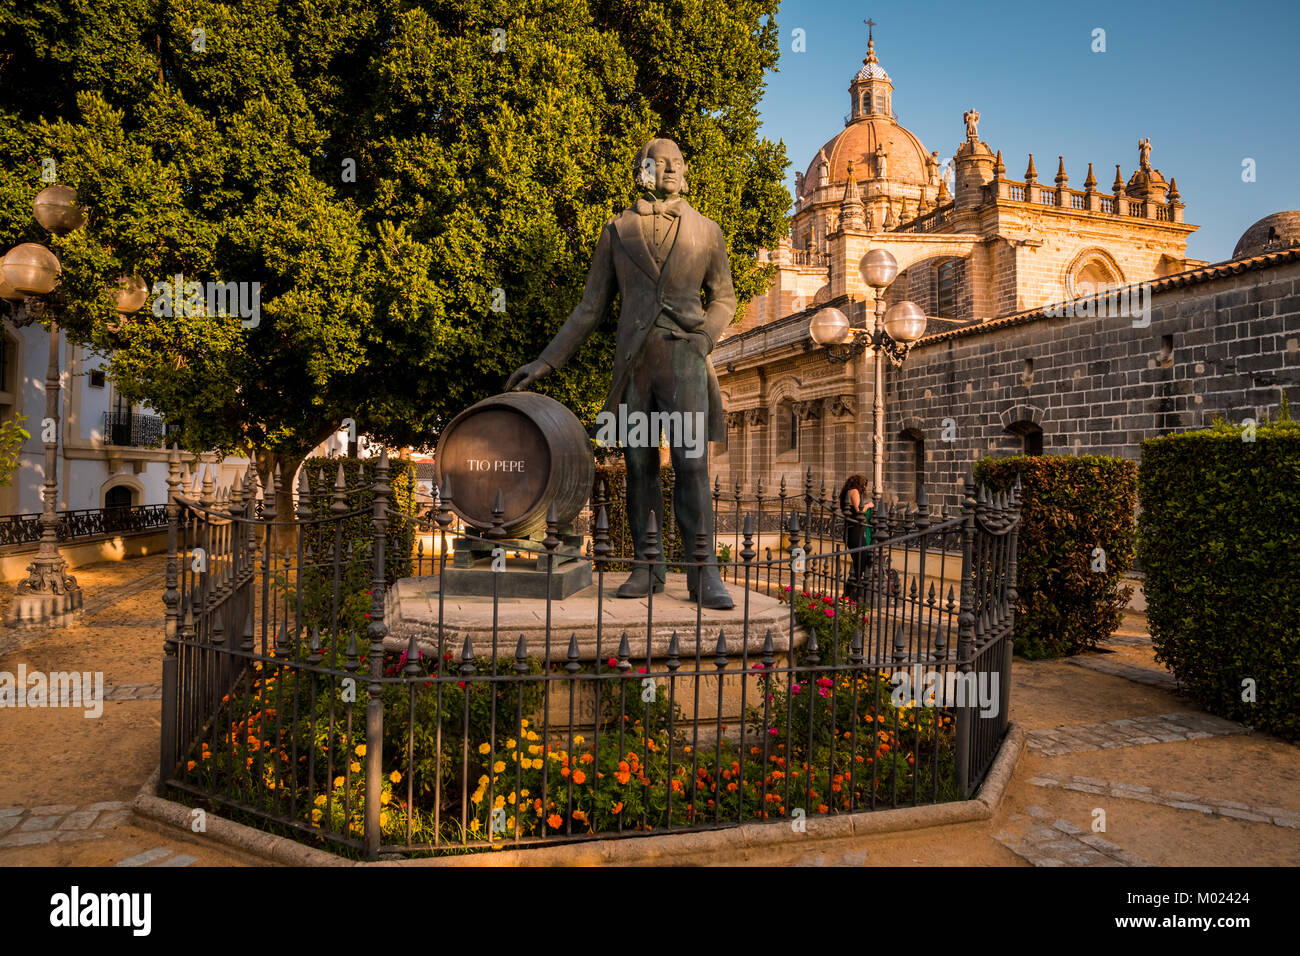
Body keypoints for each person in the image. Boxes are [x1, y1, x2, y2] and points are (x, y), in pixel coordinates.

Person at [506, 138, 736, 609]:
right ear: (642, 171)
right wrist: (546, 361)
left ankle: (703, 572)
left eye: (677, 162)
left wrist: (706, 338)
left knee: (692, 465)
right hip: (633, 365)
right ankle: (646, 567)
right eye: (660, 162)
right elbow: (590, 308)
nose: (670, 169)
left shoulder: (707, 230)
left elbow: (725, 298)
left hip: (685, 361)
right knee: (638, 466)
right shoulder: (615, 230)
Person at [839, 474, 872, 592]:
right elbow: (859, 510)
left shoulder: (846, 492)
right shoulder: (854, 491)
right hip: (854, 532)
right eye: (863, 485)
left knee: (860, 561)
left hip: (851, 530)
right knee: (860, 562)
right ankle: (848, 592)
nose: (864, 488)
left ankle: (853, 591)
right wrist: (869, 505)